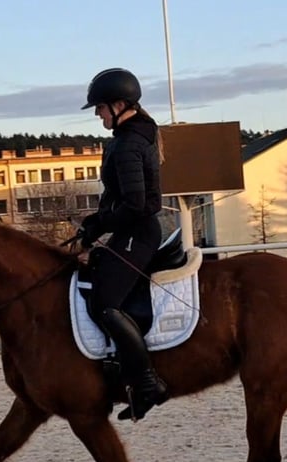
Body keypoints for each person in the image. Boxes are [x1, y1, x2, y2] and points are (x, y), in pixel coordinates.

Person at [76, 68, 169, 422]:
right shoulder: (123, 138)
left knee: (104, 303)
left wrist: (100, 224)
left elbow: (139, 204)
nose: (98, 114)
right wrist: (93, 224)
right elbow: (115, 197)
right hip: (128, 231)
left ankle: (147, 383)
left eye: (100, 108)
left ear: (119, 105)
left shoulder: (130, 142)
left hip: (138, 233)